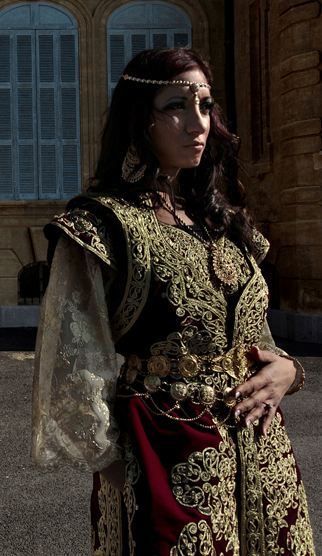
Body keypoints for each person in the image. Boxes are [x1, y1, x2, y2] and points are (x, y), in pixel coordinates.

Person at [31, 48, 315, 555]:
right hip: (164, 454)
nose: (197, 123)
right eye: (177, 106)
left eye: (205, 106)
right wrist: (122, 472)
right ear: (142, 118)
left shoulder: (224, 223)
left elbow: (260, 341)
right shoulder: (104, 224)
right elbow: (71, 366)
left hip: (262, 454)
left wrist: (289, 371)